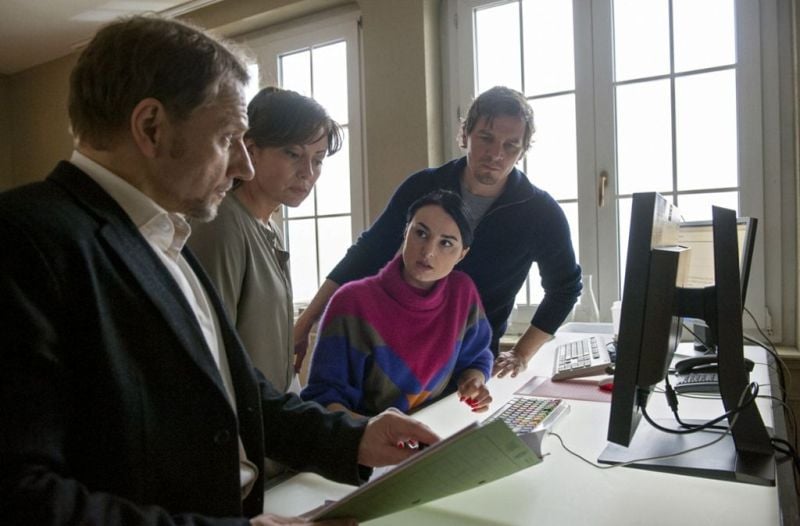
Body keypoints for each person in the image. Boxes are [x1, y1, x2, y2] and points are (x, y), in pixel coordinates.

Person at [0, 15, 438, 526]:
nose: (244, 167)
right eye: (229, 137)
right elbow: (20, 496)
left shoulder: (169, 237)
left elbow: (238, 397)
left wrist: (355, 438)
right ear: (151, 127)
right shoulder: (23, 241)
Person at [294, 86, 582, 380]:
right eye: (486, 138)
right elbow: (367, 253)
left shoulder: (540, 212)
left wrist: (521, 354)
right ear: (465, 135)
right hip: (400, 354)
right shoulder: (423, 186)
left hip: (472, 364)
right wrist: (304, 323)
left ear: (522, 151)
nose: (495, 154)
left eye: (510, 146)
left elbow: (565, 288)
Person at [189, 87, 342, 393]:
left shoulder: (269, 226)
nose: (308, 173)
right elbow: (209, 352)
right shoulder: (222, 225)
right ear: (251, 149)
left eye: (319, 159)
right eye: (293, 154)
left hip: (272, 408)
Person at [301, 190, 494, 419]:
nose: (428, 252)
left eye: (446, 243)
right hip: (361, 439)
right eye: (421, 233)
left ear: (462, 254)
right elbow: (323, 398)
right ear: (405, 232)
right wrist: (380, 431)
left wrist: (474, 382)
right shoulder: (352, 302)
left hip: (430, 433)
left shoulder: (462, 293)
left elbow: (476, 357)